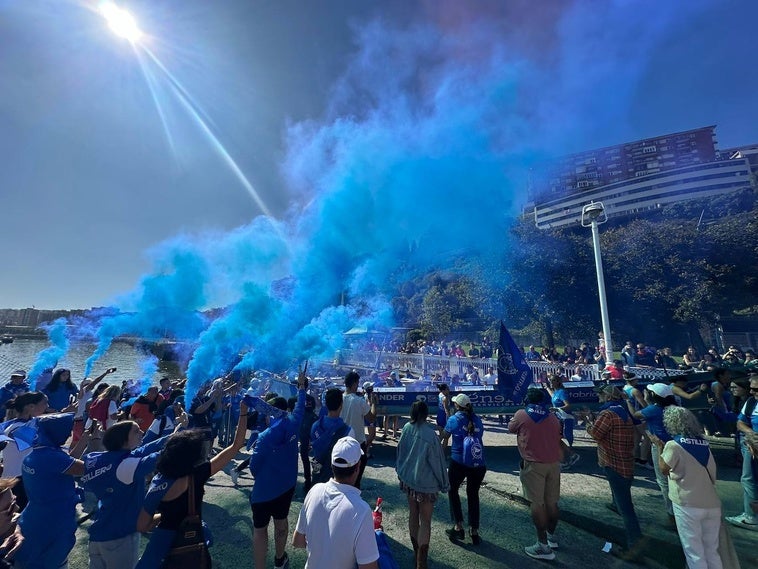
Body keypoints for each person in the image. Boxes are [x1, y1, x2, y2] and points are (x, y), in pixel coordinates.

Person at [135, 400, 248, 568]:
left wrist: (162, 517)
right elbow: (236, 445)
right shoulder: (198, 474)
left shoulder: (158, 482)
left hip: (161, 547)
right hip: (192, 542)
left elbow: (142, 525)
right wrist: (244, 412)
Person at [82, 414, 187, 569]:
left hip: (99, 532)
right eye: (136, 431)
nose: (142, 433)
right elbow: (163, 455)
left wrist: (180, 429)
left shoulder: (98, 458)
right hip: (120, 536)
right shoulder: (126, 466)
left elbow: (147, 448)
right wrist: (186, 436)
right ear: (123, 439)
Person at [14, 413, 98, 568]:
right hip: (53, 521)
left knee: (27, 559)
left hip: (34, 517)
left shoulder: (39, 453)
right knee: (51, 561)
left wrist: (85, 439)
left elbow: (67, 464)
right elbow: (84, 468)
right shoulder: (53, 458)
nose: (69, 433)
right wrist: (102, 446)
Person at [248, 367, 308, 569]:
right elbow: (300, 407)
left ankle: (259, 566)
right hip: (286, 486)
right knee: (281, 523)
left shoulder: (263, 438)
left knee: (259, 530)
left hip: (263, 491)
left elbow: (254, 467)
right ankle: (279, 559)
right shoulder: (293, 424)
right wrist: (301, 387)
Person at [292, 436, 379, 569]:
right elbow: (369, 566)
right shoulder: (361, 510)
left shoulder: (315, 491)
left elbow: (297, 541)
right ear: (358, 467)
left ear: (332, 466)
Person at [652, 406, 722, 569]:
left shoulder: (673, 445)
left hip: (687, 503)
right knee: (712, 551)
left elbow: (663, 469)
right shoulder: (704, 443)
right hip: (711, 502)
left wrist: (659, 447)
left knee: (694, 552)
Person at [586, 390, 643, 563]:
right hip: (625, 460)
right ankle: (614, 504)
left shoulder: (607, 413)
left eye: (601, 395)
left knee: (627, 509)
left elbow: (595, 434)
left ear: (608, 397)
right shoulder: (624, 410)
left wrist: (589, 421)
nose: (599, 397)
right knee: (621, 498)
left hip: (614, 461)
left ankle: (635, 547)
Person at [508, 388, 562, 561]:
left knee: (537, 504)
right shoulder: (553, 417)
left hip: (533, 464)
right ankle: (552, 537)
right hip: (553, 463)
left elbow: (511, 428)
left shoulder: (522, 414)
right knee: (552, 502)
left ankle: (543, 546)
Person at [396, 401, 449, 569]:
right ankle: (421, 563)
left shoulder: (406, 429)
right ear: (426, 414)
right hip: (426, 484)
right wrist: (444, 483)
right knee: (425, 521)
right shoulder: (431, 435)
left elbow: (400, 452)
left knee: (413, 514)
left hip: (409, 480)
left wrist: (400, 471)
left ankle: (415, 551)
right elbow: (437, 462)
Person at [628, 383, 678, 524]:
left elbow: (635, 415)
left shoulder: (653, 409)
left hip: (660, 445)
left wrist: (628, 401)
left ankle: (672, 513)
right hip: (676, 444)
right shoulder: (674, 407)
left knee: (663, 481)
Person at [441, 393, 486, 545]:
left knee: (452, 490)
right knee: (473, 495)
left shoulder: (454, 419)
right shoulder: (477, 420)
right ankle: (474, 530)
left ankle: (458, 526)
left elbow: (445, 435)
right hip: (478, 463)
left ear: (457, 406)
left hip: (459, 461)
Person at [0, 392, 49, 510]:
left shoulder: (26, 424)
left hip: (23, 476)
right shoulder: (16, 427)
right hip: (16, 479)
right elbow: (28, 441)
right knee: (18, 513)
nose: (47, 406)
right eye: (44, 403)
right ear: (30, 406)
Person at [725, 373, 758, 531]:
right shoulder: (751, 402)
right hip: (751, 447)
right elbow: (740, 422)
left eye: (756, 389)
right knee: (749, 479)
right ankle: (751, 515)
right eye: (751, 389)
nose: (752, 392)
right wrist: (752, 435)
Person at [339, 371, 376, 489]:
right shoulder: (359, 401)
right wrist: (374, 403)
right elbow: (371, 418)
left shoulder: (338, 398)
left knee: (341, 477)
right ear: (354, 384)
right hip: (357, 444)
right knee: (356, 479)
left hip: (340, 443)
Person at [310, 388, 353, 486]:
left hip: (318, 476)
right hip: (337, 479)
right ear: (341, 405)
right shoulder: (348, 431)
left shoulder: (315, 426)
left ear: (326, 404)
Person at [544, 374, 580, 469]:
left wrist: (557, 409)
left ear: (558, 382)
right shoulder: (556, 392)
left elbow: (568, 405)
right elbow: (553, 396)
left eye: (552, 381)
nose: (551, 382)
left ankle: (564, 460)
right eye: (550, 381)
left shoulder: (563, 392)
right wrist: (547, 388)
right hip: (558, 419)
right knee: (556, 439)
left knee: (556, 439)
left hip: (564, 418)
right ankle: (571, 455)